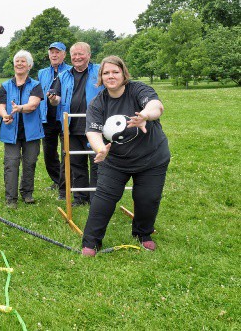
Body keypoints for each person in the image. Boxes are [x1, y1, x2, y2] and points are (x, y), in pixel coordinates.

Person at [81, 56, 170, 256]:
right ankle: (91, 242)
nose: (111, 76)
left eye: (115, 72)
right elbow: (93, 131)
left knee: (147, 198)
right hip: (115, 161)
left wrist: (145, 116)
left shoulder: (138, 90)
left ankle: (143, 234)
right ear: (101, 77)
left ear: (123, 73)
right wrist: (100, 149)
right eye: (106, 73)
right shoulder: (98, 103)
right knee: (103, 200)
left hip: (152, 158)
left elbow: (157, 106)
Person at [55, 42, 103, 205]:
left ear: (89, 55)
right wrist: (54, 99)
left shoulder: (99, 71)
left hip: (95, 126)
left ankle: (97, 197)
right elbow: (56, 98)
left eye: (81, 54)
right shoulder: (64, 75)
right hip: (71, 127)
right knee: (76, 164)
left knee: (97, 162)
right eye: (74, 54)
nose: (77, 57)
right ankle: (81, 198)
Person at [0, 50, 44, 208]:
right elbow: (1, 106)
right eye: (17, 61)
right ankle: (11, 198)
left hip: (32, 133)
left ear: (29, 66)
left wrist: (19, 108)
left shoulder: (35, 85)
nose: (20, 64)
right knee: (11, 163)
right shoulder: (5, 86)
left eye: (23, 61)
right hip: (11, 133)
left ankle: (27, 193)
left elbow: (33, 104)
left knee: (30, 163)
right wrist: (5, 116)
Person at [37, 42, 72, 191]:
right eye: (52, 52)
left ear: (64, 54)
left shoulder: (71, 71)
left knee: (67, 153)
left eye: (58, 52)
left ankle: (67, 184)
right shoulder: (42, 73)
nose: (54, 55)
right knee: (49, 154)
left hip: (64, 117)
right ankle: (58, 181)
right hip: (47, 118)